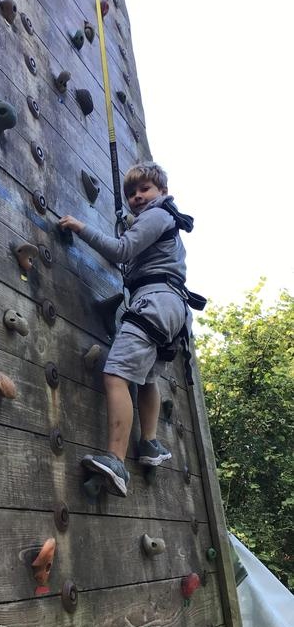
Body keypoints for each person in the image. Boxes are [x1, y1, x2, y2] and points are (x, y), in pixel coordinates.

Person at [59, 162, 195, 497]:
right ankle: (149, 443)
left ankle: (116, 460)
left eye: (144, 189)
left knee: (116, 374)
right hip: (174, 310)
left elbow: (121, 250)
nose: (136, 197)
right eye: (131, 193)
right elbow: (129, 257)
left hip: (154, 303)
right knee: (147, 379)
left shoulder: (156, 215)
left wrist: (80, 227)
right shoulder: (166, 221)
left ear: (162, 191)